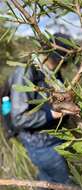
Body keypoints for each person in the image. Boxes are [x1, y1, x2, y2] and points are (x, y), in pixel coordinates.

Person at [6, 33, 73, 184]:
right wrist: (52, 114)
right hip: (41, 145)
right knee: (63, 183)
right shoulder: (25, 73)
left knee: (47, 181)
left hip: (55, 138)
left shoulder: (53, 72)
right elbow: (19, 118)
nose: (65, 64)